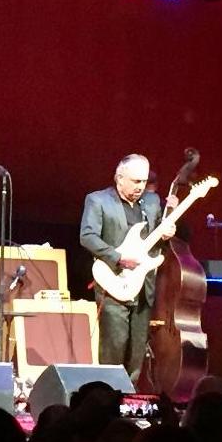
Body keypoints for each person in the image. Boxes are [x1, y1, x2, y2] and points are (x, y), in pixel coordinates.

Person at [79, 154, 175, 382]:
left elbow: (157, 240)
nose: (140, 187)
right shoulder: (98, 200)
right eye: (135, 181)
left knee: (137, 350)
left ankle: (128, 394)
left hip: (143, 284)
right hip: (113, 281)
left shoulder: (152, 202)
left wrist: (167, 233)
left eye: (144, 181)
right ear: (119, 178)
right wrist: (119, 258)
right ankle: (106, 394)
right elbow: (87, 236)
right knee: (115, 345)